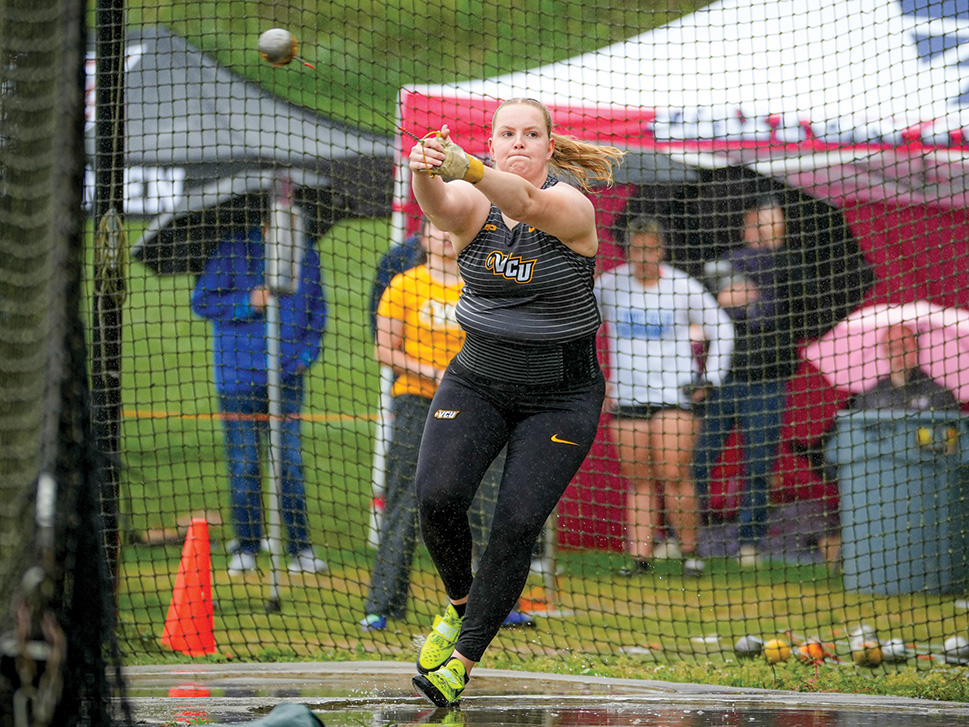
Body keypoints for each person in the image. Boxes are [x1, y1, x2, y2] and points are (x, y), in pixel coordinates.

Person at [404, 97, 624, 707]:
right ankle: (459, 605)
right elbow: (441, 205)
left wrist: (465, 164)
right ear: (493, 142)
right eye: (508, 134)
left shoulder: (572, 206)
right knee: (437, 497)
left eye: (532, 135)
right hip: (477, 380)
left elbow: (524, 203)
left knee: (517, 524)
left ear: (550, 148)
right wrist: (424, 168)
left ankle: (462, 661)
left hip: (560, 395)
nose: (520, 143)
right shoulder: (473, 204)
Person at [360, 220, 528, 631]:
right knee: (408, 499)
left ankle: (496, 605)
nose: (444, 235)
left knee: (493, 501)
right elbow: (385, 349)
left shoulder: (484, 283)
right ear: (424, 238)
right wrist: (434, 373)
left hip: (480, 403)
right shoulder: (404, 284)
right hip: (418, 401)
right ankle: (383, 604)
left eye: (452, 229)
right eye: (436, 228)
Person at [596, 216, 734, 577]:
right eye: (637, 249)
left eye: (651, 248)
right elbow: (578, 326)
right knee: (639, 481)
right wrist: (596, 378)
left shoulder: (682, 286)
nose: (644, 256)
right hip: (627, 396)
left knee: (674, 474)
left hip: (674, 394)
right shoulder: (609, 286)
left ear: (662, 249)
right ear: (627, 251)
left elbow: (722, 329)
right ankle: (640, 559)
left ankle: (690, 553)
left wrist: (711, 378)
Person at [191, 221, 328, 576]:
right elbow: (202, 302)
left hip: (286, 379)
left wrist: (301, 360)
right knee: (246, 464)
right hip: (237, 378)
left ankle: (299, 548)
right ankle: (247, 546)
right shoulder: (231, 249)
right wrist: (247, 302)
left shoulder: (305, 254)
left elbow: (318, 316)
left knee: (290, 464)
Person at [693, 195, 799, 568]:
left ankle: (749, 543)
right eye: (768, 221)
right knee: (698, 461)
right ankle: (681, 536)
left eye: (779, 221)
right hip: (723, 379)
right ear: (749, 224)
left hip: (770, 380)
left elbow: (792, 306)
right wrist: (726, 296)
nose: (775, 229)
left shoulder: (794, 263)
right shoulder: (727, 261)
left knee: (758, 466)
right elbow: (708, 301)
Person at [853, 322, 960, 411]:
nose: (898, 354)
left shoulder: (939, 394)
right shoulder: (869, 397)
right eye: (890, 349)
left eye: (903, 347)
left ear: (916, 348)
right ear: (883, 352)